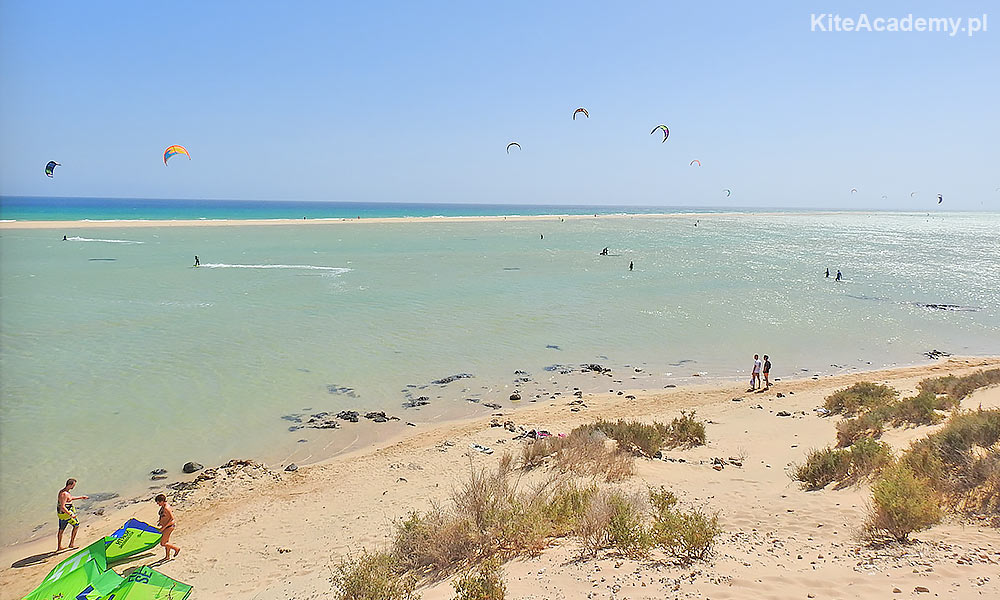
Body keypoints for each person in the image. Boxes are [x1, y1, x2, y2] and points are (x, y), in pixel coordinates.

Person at [57, 478, 88, 551]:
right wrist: (71, 515)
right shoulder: (64, 494)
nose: (74, 486)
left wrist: (81, 497)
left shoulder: (65, 492)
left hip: (62, 515)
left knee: (61, 530)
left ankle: (59, 547)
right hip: (66, 515)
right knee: (76, 525)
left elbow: (70, 499)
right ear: (70, 485)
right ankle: (71, 544)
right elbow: (62, 507)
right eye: (73, 485)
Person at [155, 494, 180, 560]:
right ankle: (167, 556)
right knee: (166, 542)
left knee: (163, 543)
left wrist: (163, 527)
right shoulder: (164, 506)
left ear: (163, 501)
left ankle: (176, 549)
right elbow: (164, 516)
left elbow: (172, 519)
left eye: (159, 502)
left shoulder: (166, 508)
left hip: (169, 527)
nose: (158, 504)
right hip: (165, 526)